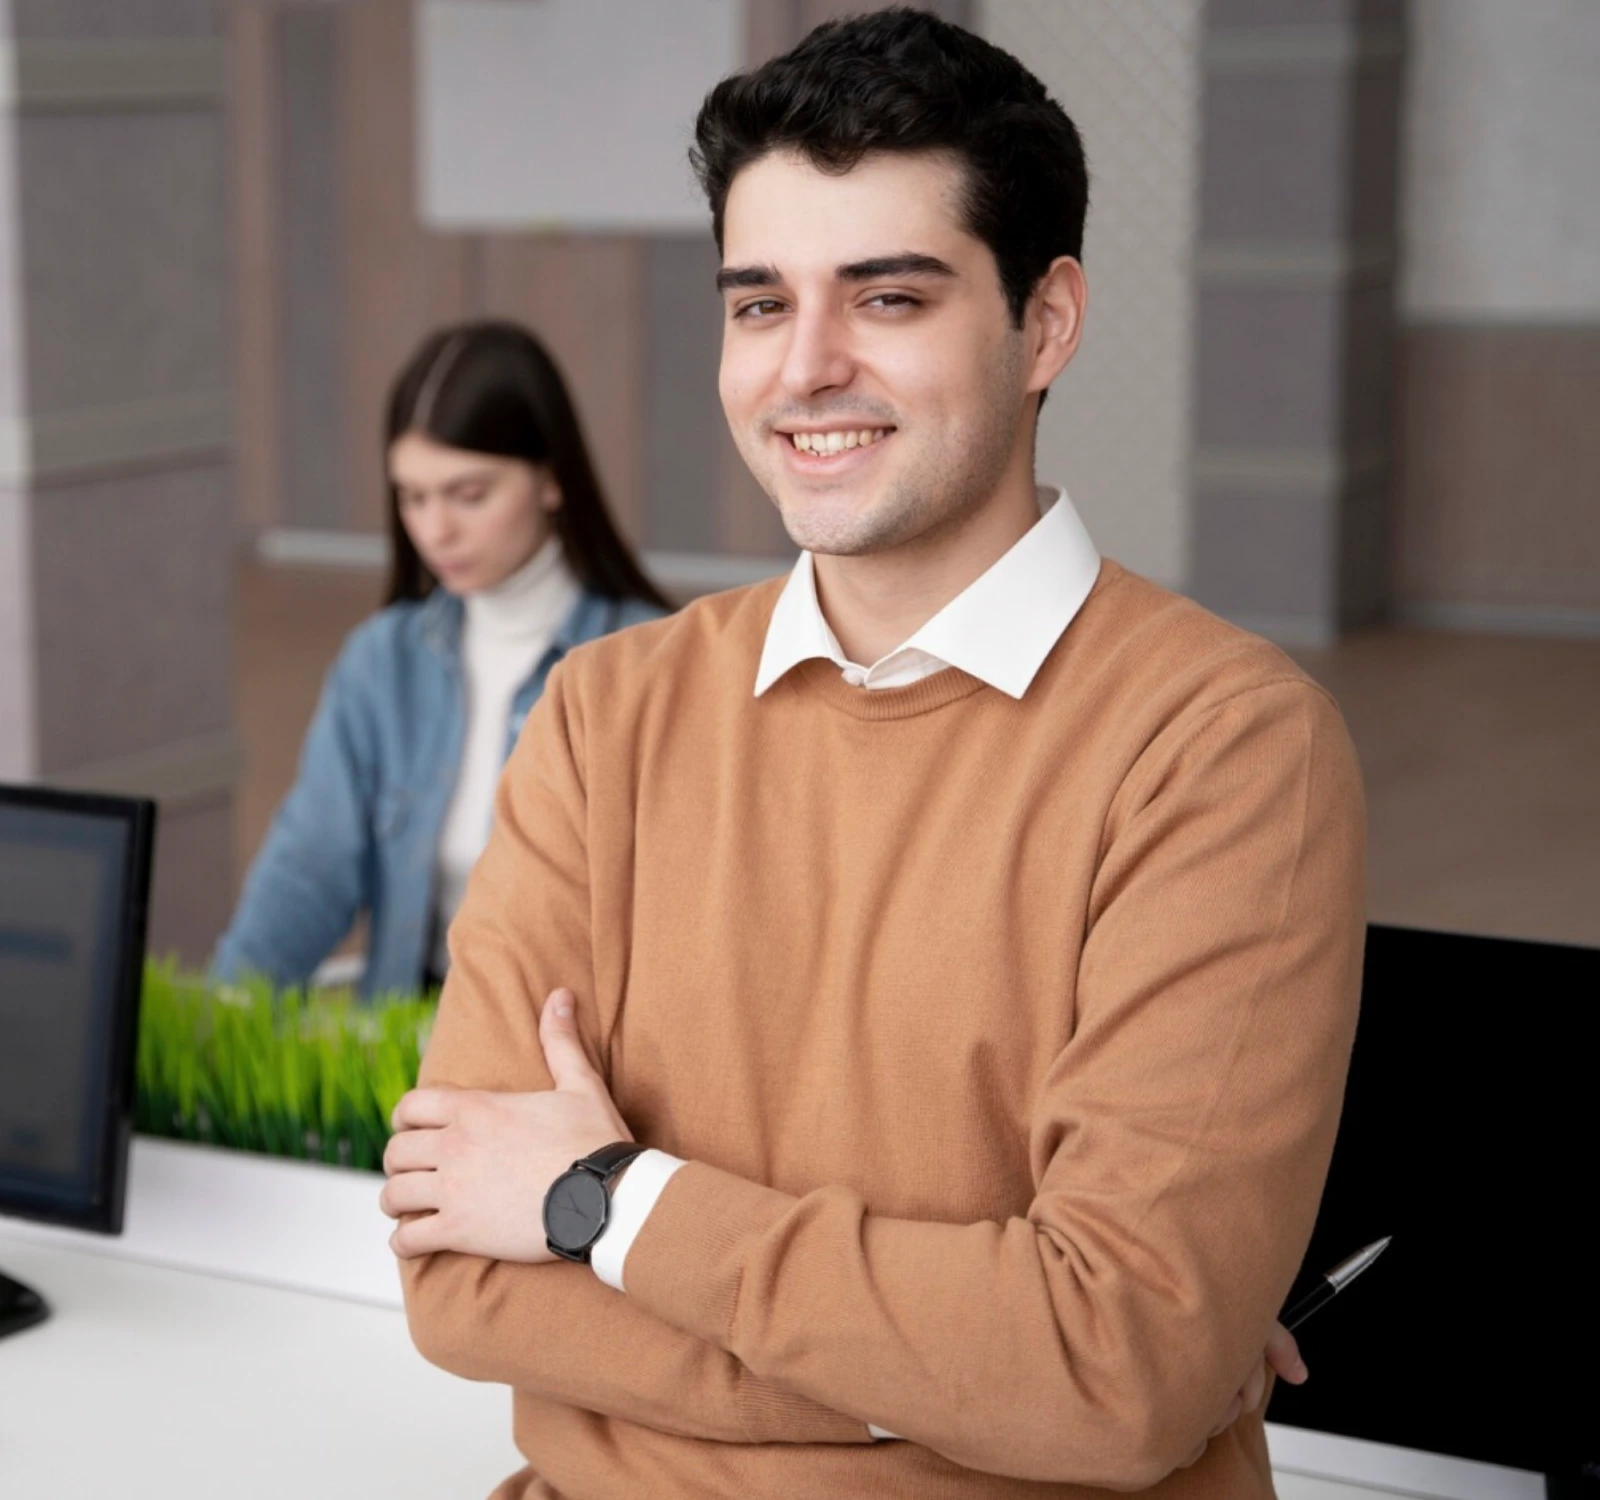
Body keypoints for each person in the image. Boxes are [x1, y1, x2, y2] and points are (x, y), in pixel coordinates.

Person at [380, 12, 1363, 1499]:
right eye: (760, 305)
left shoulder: (1220, 749)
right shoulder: (603, 716)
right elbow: (462, 1284)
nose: (806, 370)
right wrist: (987, 1371)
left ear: (1047, 322)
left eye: (887, 298)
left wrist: (603, 1202)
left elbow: (1106, 1369)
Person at [213, 322, 669, 1000]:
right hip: (409, 1038)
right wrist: (211, 1031)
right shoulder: (382, 659)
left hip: (561, 1063)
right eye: (413, 497)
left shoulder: (647, 666)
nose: (435, 531)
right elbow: (308, 872)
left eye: (469, 494)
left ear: (551, 480)